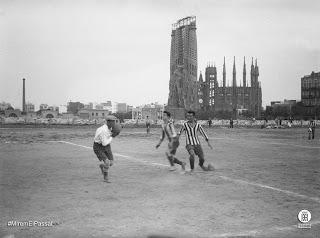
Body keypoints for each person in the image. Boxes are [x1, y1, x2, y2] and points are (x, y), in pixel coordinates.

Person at [93, 115, 117, 183]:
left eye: (115, 121)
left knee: (111, 163)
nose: (115, 123)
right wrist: (112, 136)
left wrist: (113, 133)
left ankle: (102, 166)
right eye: (113, 121)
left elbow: (107, 140)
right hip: (98, 146)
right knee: (107, 162)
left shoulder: (110, 127)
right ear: (108, 122)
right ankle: (105, 178)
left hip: (106, 145)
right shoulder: (103, 130)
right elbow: (104, 143)